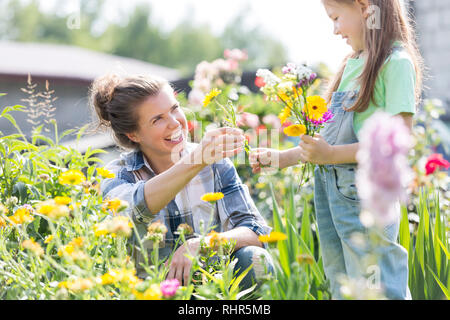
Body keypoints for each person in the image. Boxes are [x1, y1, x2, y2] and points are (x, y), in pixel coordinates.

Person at [250, 0, 423, 299]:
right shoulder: (352, 63)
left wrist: (330, 155)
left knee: (376, 282)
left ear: (364, 7)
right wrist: (282, 158)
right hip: (330, 193)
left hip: (365, 196)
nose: (335, 30)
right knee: (342, 281)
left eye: (336, 18)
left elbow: (397, 141)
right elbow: (328, 138)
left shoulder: (396, 63)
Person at [89, 73, 274, 289]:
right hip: (149, 291)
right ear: (133, 134)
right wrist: (196, 161)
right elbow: (135, 209)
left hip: (212, 287)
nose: (175, 122)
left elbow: (256, 230)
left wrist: (203, 244)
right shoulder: (118, 175)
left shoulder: (214, 164)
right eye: (157, 119)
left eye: (174, 108)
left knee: (255, 258)